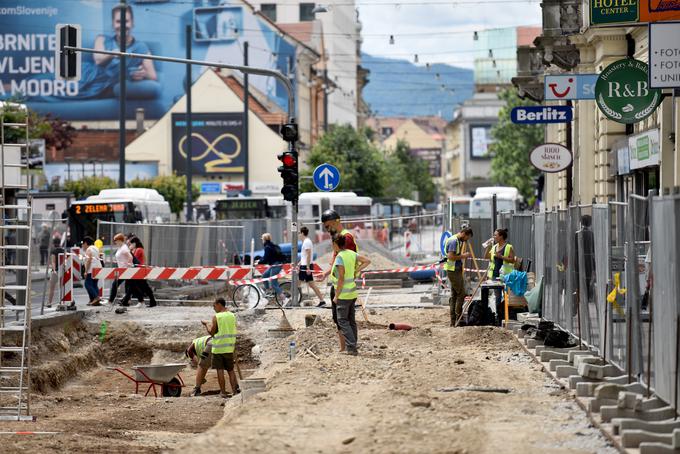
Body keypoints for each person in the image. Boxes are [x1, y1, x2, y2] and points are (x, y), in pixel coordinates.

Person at [320, 209, 359, 350]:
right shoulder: (339, 237)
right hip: (341, 285)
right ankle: (345, 347)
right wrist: (327, 273)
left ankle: (349, 347)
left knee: (343, 319)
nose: (327, 229)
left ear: (336, 221)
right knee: (342, 318)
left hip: (342, 287)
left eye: (328, 226)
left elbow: (344, 263)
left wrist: (338, 291)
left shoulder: (345, 238)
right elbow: (337, 259)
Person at [330, 234, 371, 356]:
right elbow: (367, 261)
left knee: (342, 320)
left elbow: (341, 279)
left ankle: (351, 347)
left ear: (335, 244)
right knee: (351, 321)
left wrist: (336, 296)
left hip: (343, 295)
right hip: (352, 293)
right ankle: (353, 345)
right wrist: (356, 270)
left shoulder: (339, 258)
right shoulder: (351, 253)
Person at [202, 298, 239, 398]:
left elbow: (212, 332)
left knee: (220, 370)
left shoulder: (217, 317)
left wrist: (206, 324)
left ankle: (223, 392)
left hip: (218, 348)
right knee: (231, 370)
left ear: (219, 304)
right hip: (229, 348)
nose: (214, 308)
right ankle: (235, 391)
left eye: (214, 306)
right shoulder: (232, 315)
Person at [483, 228, 516, 325]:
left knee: (507, 296)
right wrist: (488, 247)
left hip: (506, 276)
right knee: (497, 296)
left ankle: (507, 315)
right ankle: (499, 316)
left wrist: (501, 257)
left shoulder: (508, 247)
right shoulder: (494, 247)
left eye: (495, 235)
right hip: (495, 275)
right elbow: (486, 257)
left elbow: (513, 259)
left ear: (501, 236)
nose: (494, 237)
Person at [444, 227, 473, 326]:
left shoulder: (458, 241)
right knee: (461, 293)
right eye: (467, 238)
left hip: (455, 270)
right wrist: (463, 256)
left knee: (455, 295)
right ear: (464, 233)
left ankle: (453, 321)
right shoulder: (453, 241)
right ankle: (458, 317)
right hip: (453, 271)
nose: (466, 240)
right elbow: (451, 256)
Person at [122, 237, 157, 308]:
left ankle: (128, 300)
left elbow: (134, 259)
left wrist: (130, 250)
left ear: (134, 243)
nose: (130, 245)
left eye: (131, 243)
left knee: (137, 286)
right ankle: (127, 300)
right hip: (138, 270)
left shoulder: (138, 250)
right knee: (138, 286)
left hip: (139, 271)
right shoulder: (139, 249)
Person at [299, 226, 326, 306]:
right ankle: (322, 301)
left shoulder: (306, 242)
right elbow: (305, 255)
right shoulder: (306, 241)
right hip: (305, 265)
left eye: (299, 233)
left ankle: (294, 300)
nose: (299, 235)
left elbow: (308, 254)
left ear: (302, 233)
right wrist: (300, 263)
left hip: (306, 266)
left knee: (297, 282)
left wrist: (307, 267)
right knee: (311, 284)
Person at [259, 233, 286, 304]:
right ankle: (268, 291)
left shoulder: (267, 247)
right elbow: (267, 257)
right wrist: (260, 260)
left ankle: (285, 299)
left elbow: (265, 258)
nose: (262, 241)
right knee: (264, 275)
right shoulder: (271, 245)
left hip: (276, 265)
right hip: (274, 265)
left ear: (264, 239)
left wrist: (258, 262)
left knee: (273, 284)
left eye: (262, 239)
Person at [110, 233, 134, 306]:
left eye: (116, 240)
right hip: (122, 269)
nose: (115, 242)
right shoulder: (121, 247)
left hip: (125, 270)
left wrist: (127, 265)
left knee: (115, 284)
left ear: (120, 240)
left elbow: (130, 257)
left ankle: (111, 300)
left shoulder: (124, 248)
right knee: (128, 285)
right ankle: (126, 301)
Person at [82, 236, 102, 306]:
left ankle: (96, 298)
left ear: (86, 243)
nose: (82, 245)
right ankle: (93, 300)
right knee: (94, 284)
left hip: (92, 269)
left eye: (83, 243)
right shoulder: (96, 248)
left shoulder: (89, 249)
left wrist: (86, 271)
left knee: (87, 284)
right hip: (98, 268)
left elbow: (89, 260)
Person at [46, 236, 65, 308]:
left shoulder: (53, 251)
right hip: (62, 271)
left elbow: (53, 262)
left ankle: (49, 303)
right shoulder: (63, 251)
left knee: (52, 288)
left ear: (53, 243)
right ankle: (61, 301)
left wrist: (54, 270)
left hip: (55, 271)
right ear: (60, 243)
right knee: (61, 288)